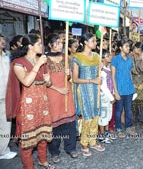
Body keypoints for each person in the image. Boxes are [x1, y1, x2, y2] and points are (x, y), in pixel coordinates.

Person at [6, 33, 54, 169]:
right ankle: (28, 166)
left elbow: (48, 83)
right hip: (28, 105)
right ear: (30, 46)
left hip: (43, 102)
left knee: (43, 135)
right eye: (39, 44)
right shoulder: (18, 63)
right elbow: (26, 82)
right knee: (28, 139)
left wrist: (48, 80)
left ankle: (42, 159)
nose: (42, 46)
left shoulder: (43, 61)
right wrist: (38, 64)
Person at [46, 34, 78, 163]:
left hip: (67, 92)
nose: (60, 45)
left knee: (70, 122)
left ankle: (71, 148)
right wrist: (58, 89)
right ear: (50, 44)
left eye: (61, 43)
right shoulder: (44, 59)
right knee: (55, 124)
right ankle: (54, 151)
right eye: (57, 42)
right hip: (52, 94)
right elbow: (44, 81)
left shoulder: (65, 57)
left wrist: (68, 74)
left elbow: (69, 78)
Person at [72, 33, 105, 157]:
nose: (95, 43)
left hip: (95, 90)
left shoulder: (97, 56)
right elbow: (75, 79)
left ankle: (92, 140)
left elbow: (98, 75)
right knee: (86, 117)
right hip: (84, 90)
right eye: (93, 40)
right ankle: (84, 143)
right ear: (85, 42)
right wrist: (92, 81)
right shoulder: (77, 57)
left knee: (95, 115)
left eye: (96, 41)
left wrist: (100, 68)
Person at [111, 39, 136, 138]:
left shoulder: (129, 59)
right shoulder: (115, 59)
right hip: (119, 89)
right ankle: (118, 128)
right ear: (121, 48)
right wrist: (115, 92)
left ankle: (128, 127)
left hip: (129, 89)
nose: (128, 48)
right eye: (126, 46)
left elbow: (129, 73)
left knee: (129, 110)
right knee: (119, 110)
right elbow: (113, 76)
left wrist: (132, 85)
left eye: (129, 46)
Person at [0, 34, 17, 160]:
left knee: (5, 124)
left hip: (5, 95)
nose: (2, 41)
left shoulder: (6, 56)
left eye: (2, 39)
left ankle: (3, 150)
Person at [98, 49, 116, 143]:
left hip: (109, 95)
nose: (110, 57)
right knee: (103, 116)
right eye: (108, 56)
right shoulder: (101, 70)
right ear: (103, 58)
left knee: (108, 115)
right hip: (104, 95)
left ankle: (106, 131)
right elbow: (103, 86)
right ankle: (102, 135)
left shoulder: (108, 68)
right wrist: (111, 97)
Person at [131, 42, 143, 129]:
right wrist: (132, 83)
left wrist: (142, 84)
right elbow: (129, 71)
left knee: (142, 104)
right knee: (133, 104)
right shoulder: (131, 58)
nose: (133, 49)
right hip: (133, 82)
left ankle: (142, 122)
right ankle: (133, 123)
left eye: (135, 48)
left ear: (139, 49)